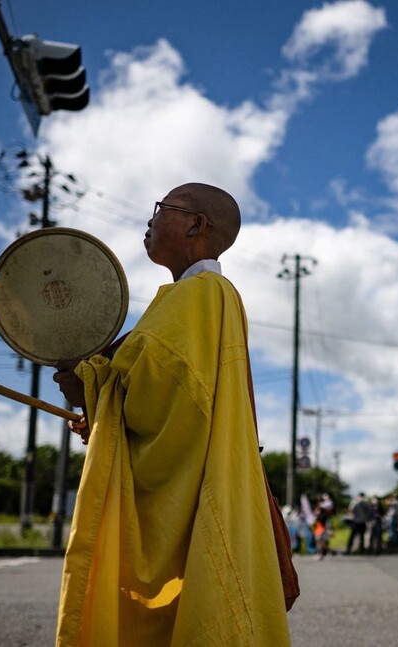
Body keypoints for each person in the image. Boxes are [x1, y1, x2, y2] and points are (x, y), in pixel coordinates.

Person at [52, 183, 290, 645]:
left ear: (196, 224)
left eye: (161, 208)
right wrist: (103, 400)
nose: (150, 219)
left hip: (183, 497)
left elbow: (164, 396)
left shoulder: (201, 293)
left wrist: (94, 389)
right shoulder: (206, 295)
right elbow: (175, 402)